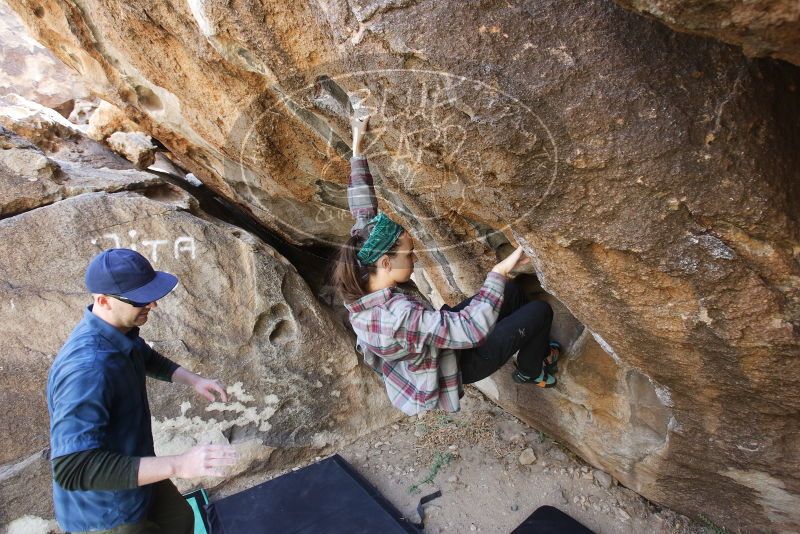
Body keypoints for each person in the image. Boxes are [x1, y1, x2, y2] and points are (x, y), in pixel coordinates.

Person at [332, 116, 560, 416]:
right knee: (540, 312)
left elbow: (363, 213)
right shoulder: (398, 317)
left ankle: (527, 341)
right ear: (385, 262)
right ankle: (531, 369)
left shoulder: (363, 273)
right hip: (458, 362)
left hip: (433, 340)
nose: (414, 260)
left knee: (513, 292)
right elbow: (468, 329)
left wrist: (357, 149)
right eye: (409, 255)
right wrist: (498, 271)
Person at [46, 248, 237, 533]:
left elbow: (143, 355)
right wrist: (179, 465)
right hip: (107, 512)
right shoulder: (87, 370)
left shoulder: (117, 332)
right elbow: (73, 468)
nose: (153, 305)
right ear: (103, 301)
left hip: (138, 476)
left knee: (182, 520)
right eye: (140, 299)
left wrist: (193, 380)